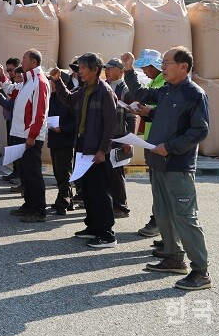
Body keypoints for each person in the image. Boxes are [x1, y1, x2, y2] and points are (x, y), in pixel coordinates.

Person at [122, 47, 212, 291]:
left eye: (167, 62)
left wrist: (170, 147)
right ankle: (173, 258)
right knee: (163, 213)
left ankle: (201, 272)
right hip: (158, 164)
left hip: (176, 165)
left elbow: (200, 130)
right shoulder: (167, 90)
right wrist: (129, 71)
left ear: (183, 66)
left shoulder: (194, 93)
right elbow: (141, 93)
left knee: (185, 217)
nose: (163, 66)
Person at [50, 53, 118, 248]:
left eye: (83, 68)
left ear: (95, 70)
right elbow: (68, 100)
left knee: (100, 192)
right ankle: (93, 226)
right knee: (87, 190)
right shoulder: (84, 89)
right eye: (79, 68)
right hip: (82, 148)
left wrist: (103, 151)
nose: (80, 72)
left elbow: (110, 125)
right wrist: (58, 81)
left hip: (96, 152)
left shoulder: (104, 92)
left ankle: (106, 235)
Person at [0, 49, 50, 223]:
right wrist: (1, 77)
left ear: (33, 62)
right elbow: (11, 92)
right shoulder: (28, 80)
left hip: (30, 136)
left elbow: (40, 112)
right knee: (25, 173)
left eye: (25, 58)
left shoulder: (40, 81)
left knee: (33, 173)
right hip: (21, 133)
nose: (22, 61)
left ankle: (39, 210)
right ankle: (29, 205)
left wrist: (32, 135)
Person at [129, 48, 166, 239]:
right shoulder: (154, 82)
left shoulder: (164, 84)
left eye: (145, 67)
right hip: (152, 141)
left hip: (160, 143)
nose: (144, 71)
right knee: (157, 186)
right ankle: (161, 224)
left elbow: (164, 114)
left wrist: (147, 111)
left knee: (161, 187)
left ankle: (158, 222)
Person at [103, 57, 137, 218]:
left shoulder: (125, 90)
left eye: (110, 68)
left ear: (121, 71)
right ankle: (109, 204)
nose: (107, 71)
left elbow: (132, 116)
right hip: (105, 137)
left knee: (116, 174)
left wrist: (128, 140)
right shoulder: (105, 86)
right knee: (105, 173)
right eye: (106, 68)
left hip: (119, 138)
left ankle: (121, 207)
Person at [45, 66, 78, 215]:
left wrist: (62, 129)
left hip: (65, 140)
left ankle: (63, 203)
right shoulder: (52, 98)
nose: (51, 84)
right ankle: (68, 200)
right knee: (58, 172)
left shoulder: (68, 99)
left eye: (53, 82)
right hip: (54, 139)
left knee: (64, 173)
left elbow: (76, 122)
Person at [0, 57, 21, 184]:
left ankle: (19, 174)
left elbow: (9, 104)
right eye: (7, 71)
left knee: (16, 146)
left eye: (11, 70)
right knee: (11, 145)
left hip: (17, 121)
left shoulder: (19, 85)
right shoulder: (10, 84)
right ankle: (15, 171)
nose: (10, 73)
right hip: (10, 118)